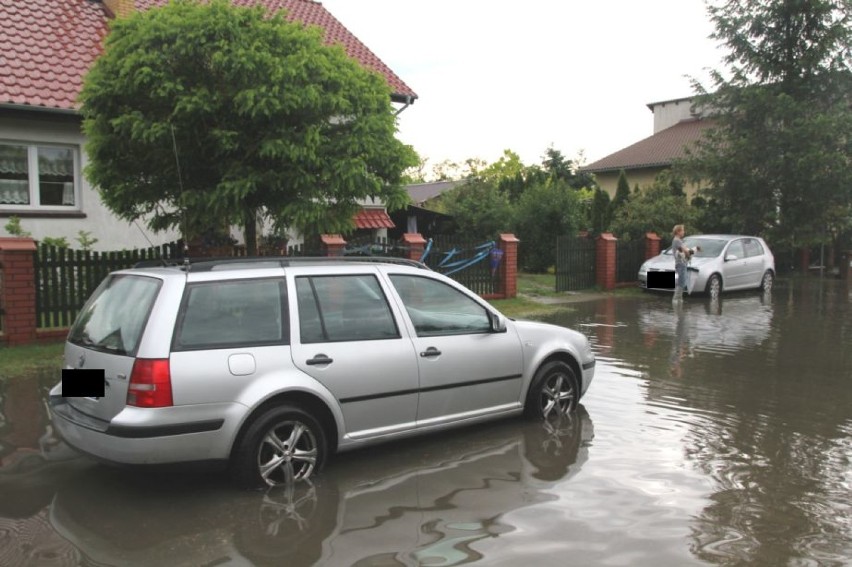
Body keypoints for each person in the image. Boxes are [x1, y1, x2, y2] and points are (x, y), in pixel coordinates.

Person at [671, 224, 693, 301]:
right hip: (681, 263)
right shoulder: (677, 240)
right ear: (678, 231)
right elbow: (685, 251)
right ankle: (676, 299)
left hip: (681, 263)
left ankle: (679, 299)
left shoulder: (678, 240)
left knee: (682, 281)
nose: (684, 232)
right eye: (682, 230)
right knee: (681, 282)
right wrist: (690, 253)